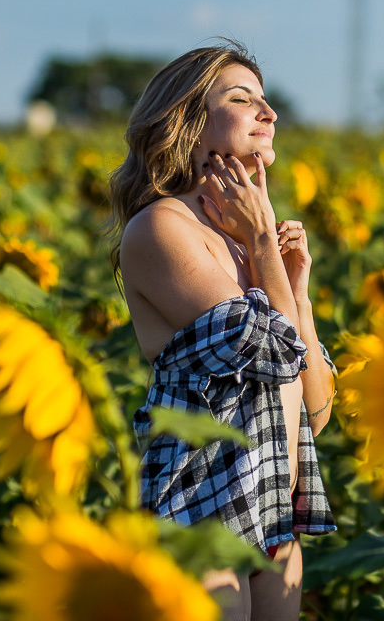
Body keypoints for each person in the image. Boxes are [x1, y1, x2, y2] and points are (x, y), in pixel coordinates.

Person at [108, 41, 337, 621]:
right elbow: (272, 352)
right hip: (199, 507)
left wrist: (297, 289)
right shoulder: (162, 228)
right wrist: (263, 242)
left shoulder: (243, 239)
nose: (270, 113)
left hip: (274, 508)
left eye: (266, 100)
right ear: (188, 120)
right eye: (242, 99)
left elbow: (316, 406)